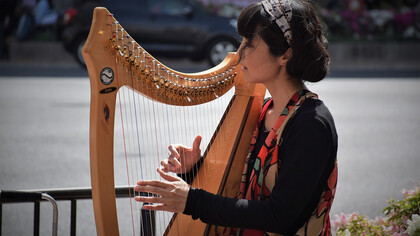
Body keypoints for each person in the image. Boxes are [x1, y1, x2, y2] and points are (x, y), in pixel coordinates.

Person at [134, 0, 338, 235]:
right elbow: (240, 190)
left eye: (249, 43)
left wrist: (192, 201)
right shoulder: (264, 110)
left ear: (285, 55)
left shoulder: (311, 124)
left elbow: (281, 217)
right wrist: (195, 170)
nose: (239, 52)